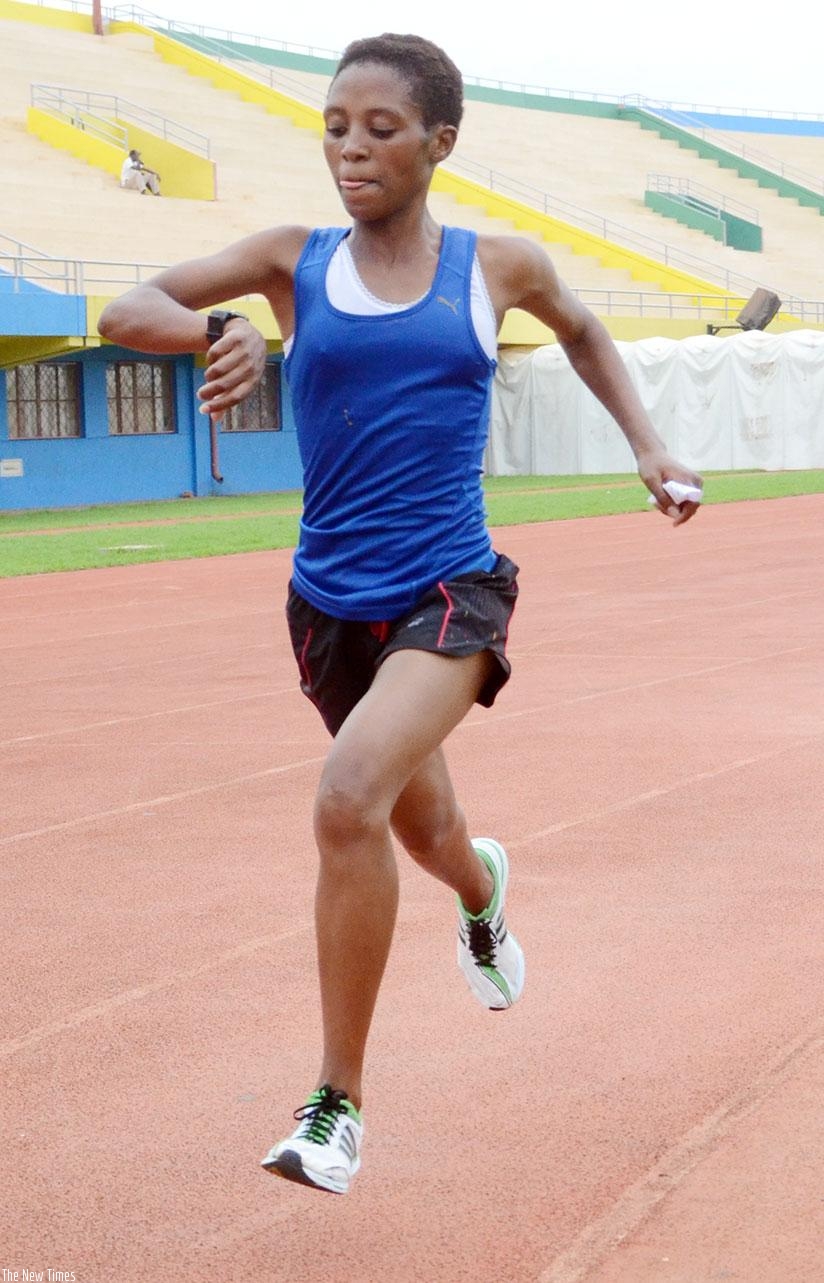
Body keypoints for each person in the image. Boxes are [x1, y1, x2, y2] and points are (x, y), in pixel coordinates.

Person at [98, 33, 702, 1197]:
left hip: (448, 594)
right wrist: (216, 331)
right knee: (420, 833)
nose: (351, 148)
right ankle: (479, 888)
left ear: (440, 141)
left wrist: (647, 443)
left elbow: (579, 325)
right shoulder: (290, 262)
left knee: (345, 797)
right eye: (334, 126)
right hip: (330, 604)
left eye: (380, 128)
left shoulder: (495, 267)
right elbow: (135, 305)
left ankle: (336, 1106)